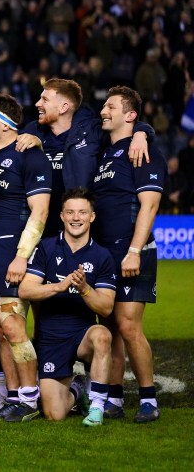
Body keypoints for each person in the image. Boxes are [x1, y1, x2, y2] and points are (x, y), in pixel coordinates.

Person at [0, 93, 52, 422]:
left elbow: (41, 210)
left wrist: (23, 256)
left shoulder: (30, 156)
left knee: (12, 325)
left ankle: (30, 399)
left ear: (7, 126)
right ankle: (15, 396)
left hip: (14, 250)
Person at [92, 86, 166, 423]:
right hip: (105, 255)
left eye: (111, 106)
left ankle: (149, 400)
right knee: (108, 323)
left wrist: (134, 251)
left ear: (130, 115)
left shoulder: (143, 151)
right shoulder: (104, 154)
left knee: (128, 325)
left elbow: (149, 205)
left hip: (133, 251)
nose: (103, 111)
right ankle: (116, 399)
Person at [19, 187, 117, 427]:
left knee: (102, 335)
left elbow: (105, 308)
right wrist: (57, 286)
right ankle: (78, 388)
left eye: (82, 212)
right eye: (70, 212)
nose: (76, 218)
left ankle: (96, 407)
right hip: (51, 338)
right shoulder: (46, 248)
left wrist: (84, 288)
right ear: (61, 216)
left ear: (92, 216)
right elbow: (25, 290)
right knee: (54, 414)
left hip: (82, 336)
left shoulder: (102, 256)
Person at [16, 78, 152, 238]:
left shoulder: (92, 132)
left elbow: (122, 126)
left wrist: (141, 133)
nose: (38, 103)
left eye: (45, 99)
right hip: (40, 229)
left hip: (78, 230)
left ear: (63, 107)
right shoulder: (32, 130)